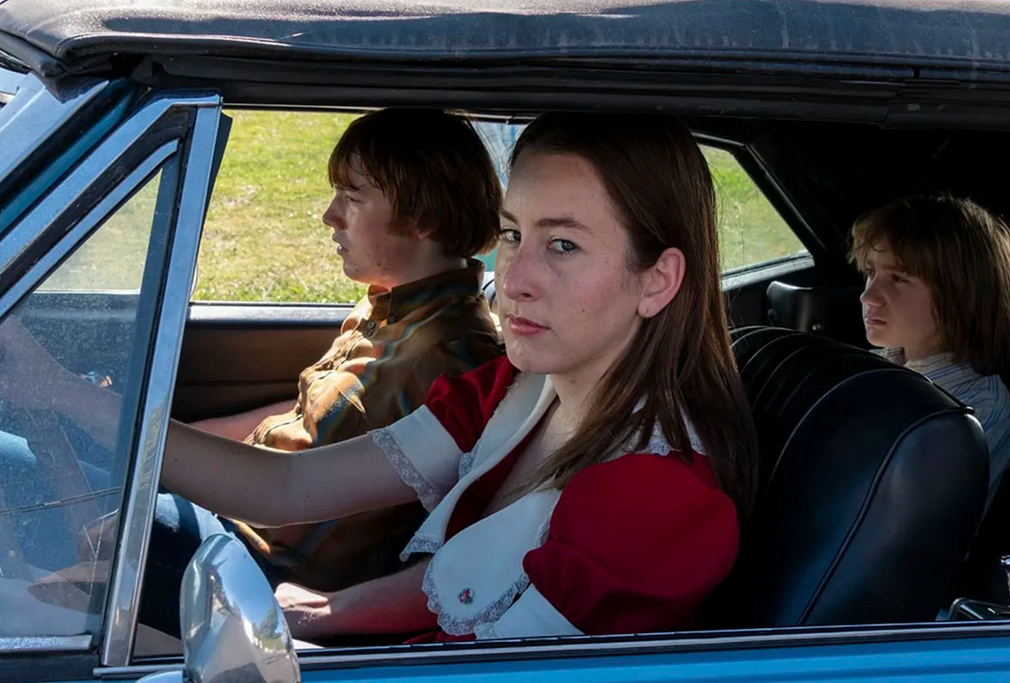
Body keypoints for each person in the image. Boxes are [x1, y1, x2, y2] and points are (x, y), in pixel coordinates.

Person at [159, 112, 760, 642]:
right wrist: (122, 426)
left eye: (564, 245)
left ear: (656, 279)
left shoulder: (659, 503)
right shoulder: (511, 389)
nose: (513, 276)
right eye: (513, 233)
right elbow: (286, 488)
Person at [0, 108, 504, 632]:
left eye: (352, 198)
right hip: (235, 514)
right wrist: (181, 446)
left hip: (254, 567)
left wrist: (65, 396)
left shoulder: (448, 359)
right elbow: (305, 418)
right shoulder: (388, 303)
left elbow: (296, 492)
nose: (330, 215)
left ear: (423, 217)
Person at [851, 194, 1010, 511]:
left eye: (898, 278)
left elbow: (923, 531)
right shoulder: (868, 368)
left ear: (960, 297)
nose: (868, 295)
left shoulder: (979, 413)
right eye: (870, 273)